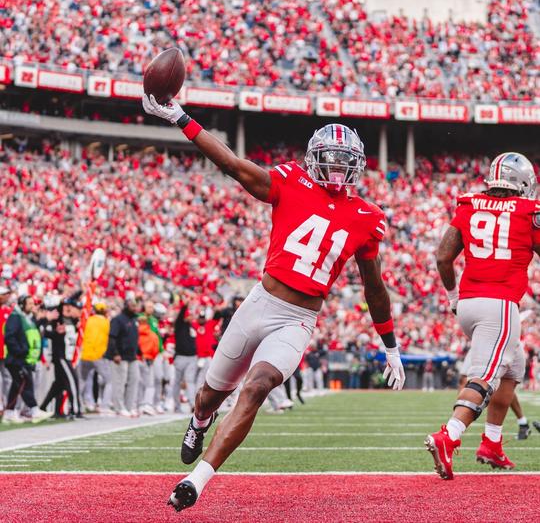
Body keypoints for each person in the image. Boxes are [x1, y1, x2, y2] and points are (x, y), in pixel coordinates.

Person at [143, 95, 405, 513]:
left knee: (258, 386)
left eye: (345, 161)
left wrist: (390, 346)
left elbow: (374, 287)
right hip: (259, 304)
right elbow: (232, 165)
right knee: (209, 396)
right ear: (314, 159)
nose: (337, 168)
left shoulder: (366, 216)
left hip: (298, 319)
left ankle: (198, 480)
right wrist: (180, 117)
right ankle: (199, 420)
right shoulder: (289, 181)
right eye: (331, 159)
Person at [426, 152, 540, 480]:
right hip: (500, 304)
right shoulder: (528, 212)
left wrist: (452, 296)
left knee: (513, 367)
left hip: (468, 303)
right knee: (487, 376)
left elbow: (444, 257)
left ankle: (492, 443)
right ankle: (449, 435)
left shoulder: (469, 204)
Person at [3, 295, 52, 424]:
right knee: (26, 383)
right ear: (21, 305)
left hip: (23, 358)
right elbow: (10, 336)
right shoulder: (15, 317)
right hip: (17, 358)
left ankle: (9, 412)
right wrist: (20, 351)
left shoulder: (25, 318)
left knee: (17, 385)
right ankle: (34, 410)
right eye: (29, 303)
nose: (32, 306)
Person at [40, 294, 84, 418]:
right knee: (72, 382)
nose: (69, 308)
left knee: (59, 385)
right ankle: (76, 410)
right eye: (66, 306)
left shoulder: (72, 320)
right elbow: (46, 333)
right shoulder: (57, 319)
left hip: (67, 356)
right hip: (61, 356)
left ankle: (46, 408)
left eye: (71, 306)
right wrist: (56, 332)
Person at [105, 294, 141, 417]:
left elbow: (135, 339)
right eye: (132, 305)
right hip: (120, 356)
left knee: (134, 381)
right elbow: (112, 337)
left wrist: (139, 353)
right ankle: (119, 407)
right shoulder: (118, 319)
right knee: (119, 382)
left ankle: (129, 406)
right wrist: (115, 353)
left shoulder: (134, 320)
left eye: (135, 305)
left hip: (132, 356)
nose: (134, 308)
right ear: (126, 306)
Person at [79, 302, 111, 413]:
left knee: (83, 380)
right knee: (109, 380)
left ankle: (78, 403)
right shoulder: (106, 322)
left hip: (85, 354)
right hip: (98, 355)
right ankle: (105, 406)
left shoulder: (88, 320)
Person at [137, 301, 163, 415]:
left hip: (151, 354)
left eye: (152, 307)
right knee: (146, 382)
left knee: (154, 379)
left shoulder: (154, 320)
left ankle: (147, 403)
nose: (151, 309)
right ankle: (145, 404)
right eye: (149, 307)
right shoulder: (140, 319)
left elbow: (156, 337)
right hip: (146, 354)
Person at [172, 302, 197, 412]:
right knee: (177, 381)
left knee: (190, 381)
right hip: (180, 357)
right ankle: (177, 405)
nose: (190, 317)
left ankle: (192, 404)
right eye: (188, 315)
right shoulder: (179, 325)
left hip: (192, 357)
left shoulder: (192, 327)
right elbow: (180, 316)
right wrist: (185, 306)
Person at [0, 286, 13, 415]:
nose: (6, 296)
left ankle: (7, 405)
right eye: (4, 294)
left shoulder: (9, 311)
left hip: (6, 350)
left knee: (7, 378)